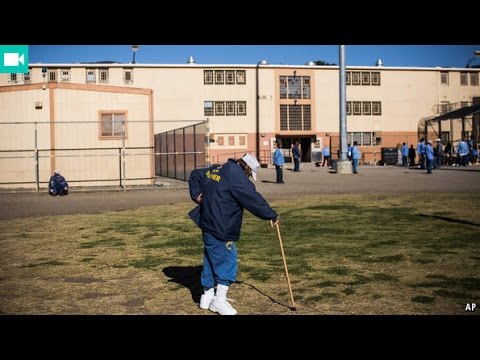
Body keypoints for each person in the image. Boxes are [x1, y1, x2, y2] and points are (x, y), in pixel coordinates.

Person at [188, 154, 279, 315]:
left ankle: (207, 296)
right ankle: (219, 301)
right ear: (248, 168)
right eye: (250, 174)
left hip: (208, 222)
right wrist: (271, 214)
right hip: (221, 226)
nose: (249, 177)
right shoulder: (236, 175)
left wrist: (196, 195)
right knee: (228, 261)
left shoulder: (219, 168)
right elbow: (252, 198)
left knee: (210, 258)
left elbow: (196, 174)